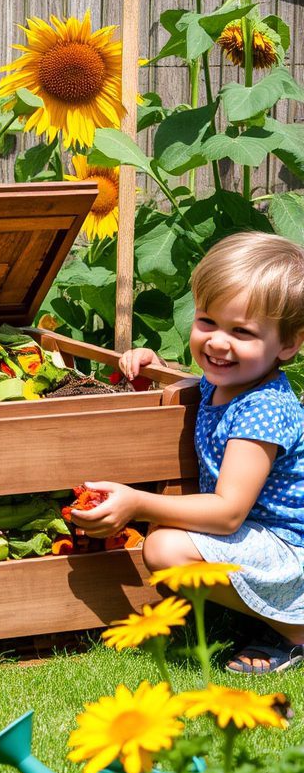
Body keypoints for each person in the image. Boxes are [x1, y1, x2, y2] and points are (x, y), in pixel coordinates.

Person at [71, 231, 304, 674]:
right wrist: (153, 367)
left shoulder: (265, 409)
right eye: (207, 322)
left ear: (289, 345)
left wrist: (138, 503)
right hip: (262, 539)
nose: (217, 343)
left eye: (242, 332)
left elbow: (228, 512)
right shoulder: (230, 382)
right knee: (169, 529)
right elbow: (198, 381)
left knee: (164, 548)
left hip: (290, 552)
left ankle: (295, 627)